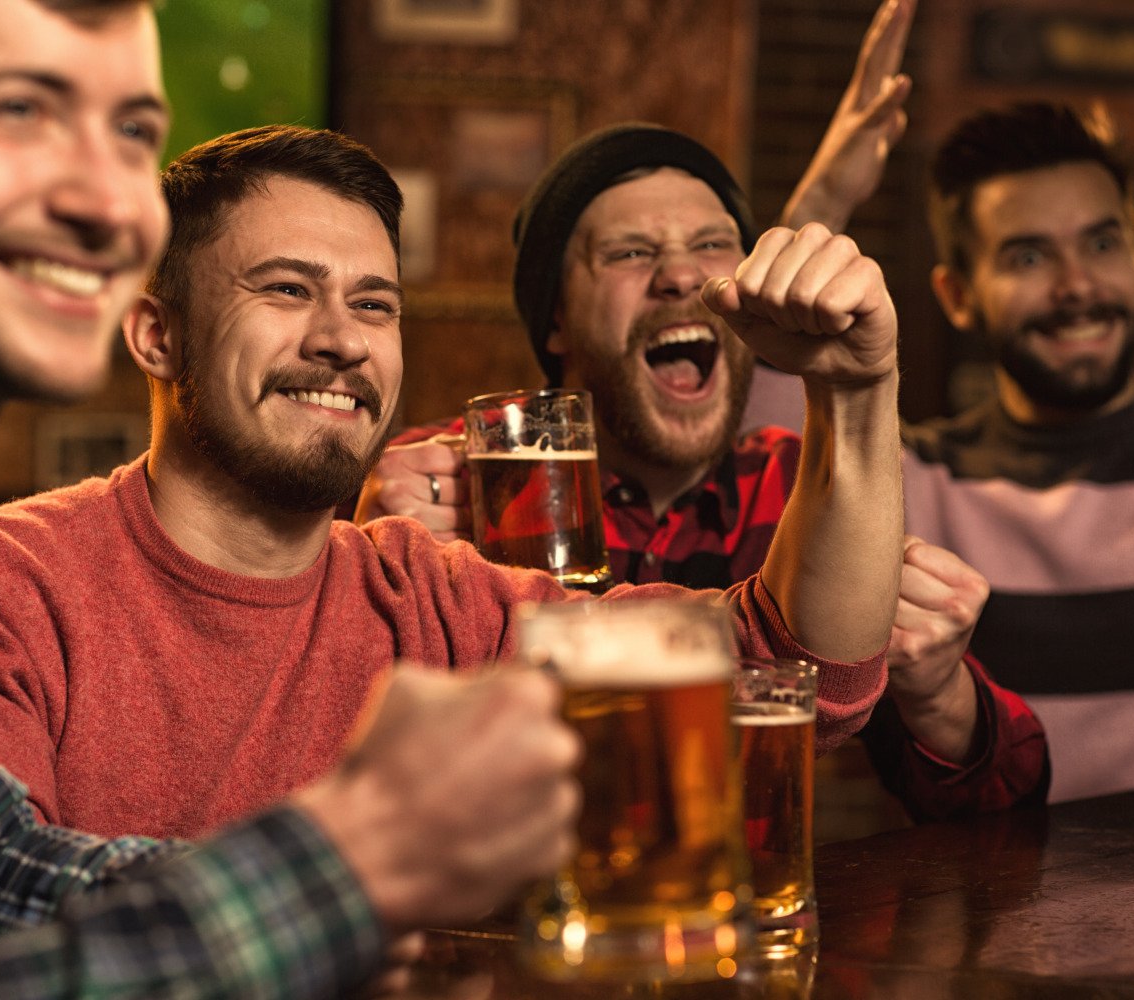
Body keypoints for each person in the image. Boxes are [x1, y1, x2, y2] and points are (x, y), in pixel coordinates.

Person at [0, 0, 585, 995]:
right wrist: (333, 870)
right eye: (15, 111)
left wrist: (338, 894)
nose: (111, 205)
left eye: (131, 133)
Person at [0, 120, 905, 840]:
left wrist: (857, 393)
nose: (341, 339)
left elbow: (800, 676)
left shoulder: (430, 597)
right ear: (158, 335)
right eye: (286, 288)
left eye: (374, 302)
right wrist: (352, 871)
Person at [356, 0, 1048, 822]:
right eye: (629, 252)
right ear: (556, 322)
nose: (681, 276)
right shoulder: (455, 478)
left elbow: (1011, 796)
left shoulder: (804, 485)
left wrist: (940, 696)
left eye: (713, 245)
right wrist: (374, 591)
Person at [757, 99, 1134, 802]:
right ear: (957, 295)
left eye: (1103, 244)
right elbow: (757, 453)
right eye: (1030, 256)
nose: (1077, 285)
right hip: (1007, 909)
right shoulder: (911, 485)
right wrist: (823, 204)